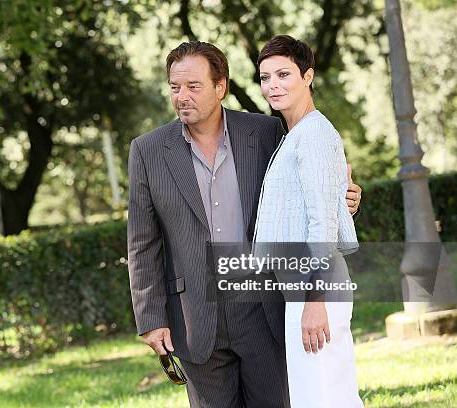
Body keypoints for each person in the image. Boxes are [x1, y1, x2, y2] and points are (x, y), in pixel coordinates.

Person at [127, 40, 362, 407]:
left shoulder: (266, 132)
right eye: (175, 88)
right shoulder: (147, 150)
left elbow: (304, 193)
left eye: (193, 86)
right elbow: (142, 241)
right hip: (194, 316)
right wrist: (151, 317)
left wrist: (344, 200)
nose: (181, 96)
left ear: (220, 87)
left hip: (263, 306)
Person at [254, 35, 364, 407]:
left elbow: (320, 224)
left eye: (283, 74)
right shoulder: (295, 135)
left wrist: (314, 299)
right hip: (301, 287)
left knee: (326, 397)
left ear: (308, 76)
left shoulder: (314, 134)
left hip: (316, 286)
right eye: (265, 77)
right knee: (319, 395)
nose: (273, 85)